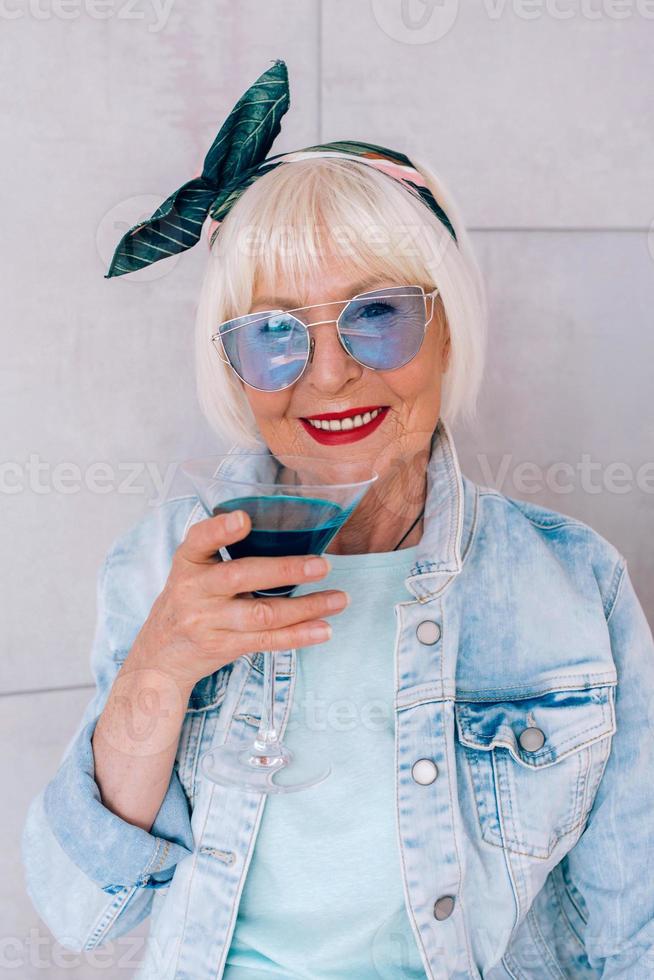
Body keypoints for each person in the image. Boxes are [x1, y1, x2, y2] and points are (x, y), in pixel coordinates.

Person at [22, 61, 654, 979]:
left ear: (448, 328)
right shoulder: (159, 564)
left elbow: (634, 927)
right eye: (274, 332)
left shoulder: (574, 583)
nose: (328, 376)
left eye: (379, 315)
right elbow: (80, 914)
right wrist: (158, 666)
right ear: (234, 366)